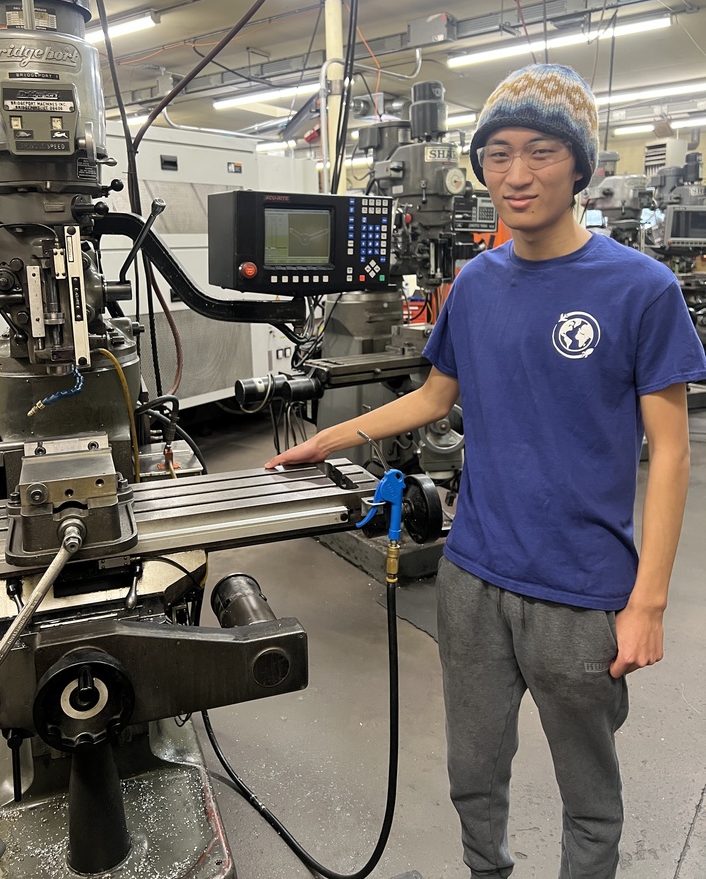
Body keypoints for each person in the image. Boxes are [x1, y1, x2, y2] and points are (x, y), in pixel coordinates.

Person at [264, 63, 706, 878]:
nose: (517, 174)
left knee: (590, 796)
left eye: (540, 151)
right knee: (474, 773)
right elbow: (437, 394)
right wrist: (335, 437)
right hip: (473, 577)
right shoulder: (474, 283)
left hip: (580, 591)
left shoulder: (641, 289)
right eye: (497, 154)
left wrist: (647, 602)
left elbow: (672, 451)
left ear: (581, 165)